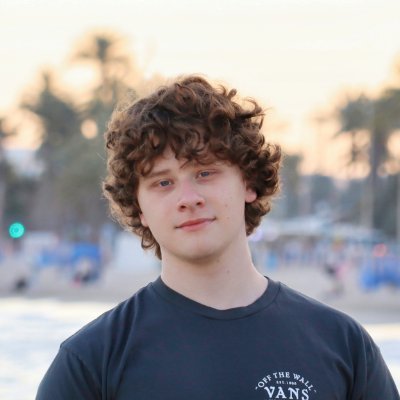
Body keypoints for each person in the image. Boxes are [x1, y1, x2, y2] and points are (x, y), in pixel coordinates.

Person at [36, 75, 399, 399]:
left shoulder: (342, 345)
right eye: (163, 182)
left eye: (205, 173)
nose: (188, 198)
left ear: (249, 183)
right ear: (139, 207)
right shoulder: (91, 363)